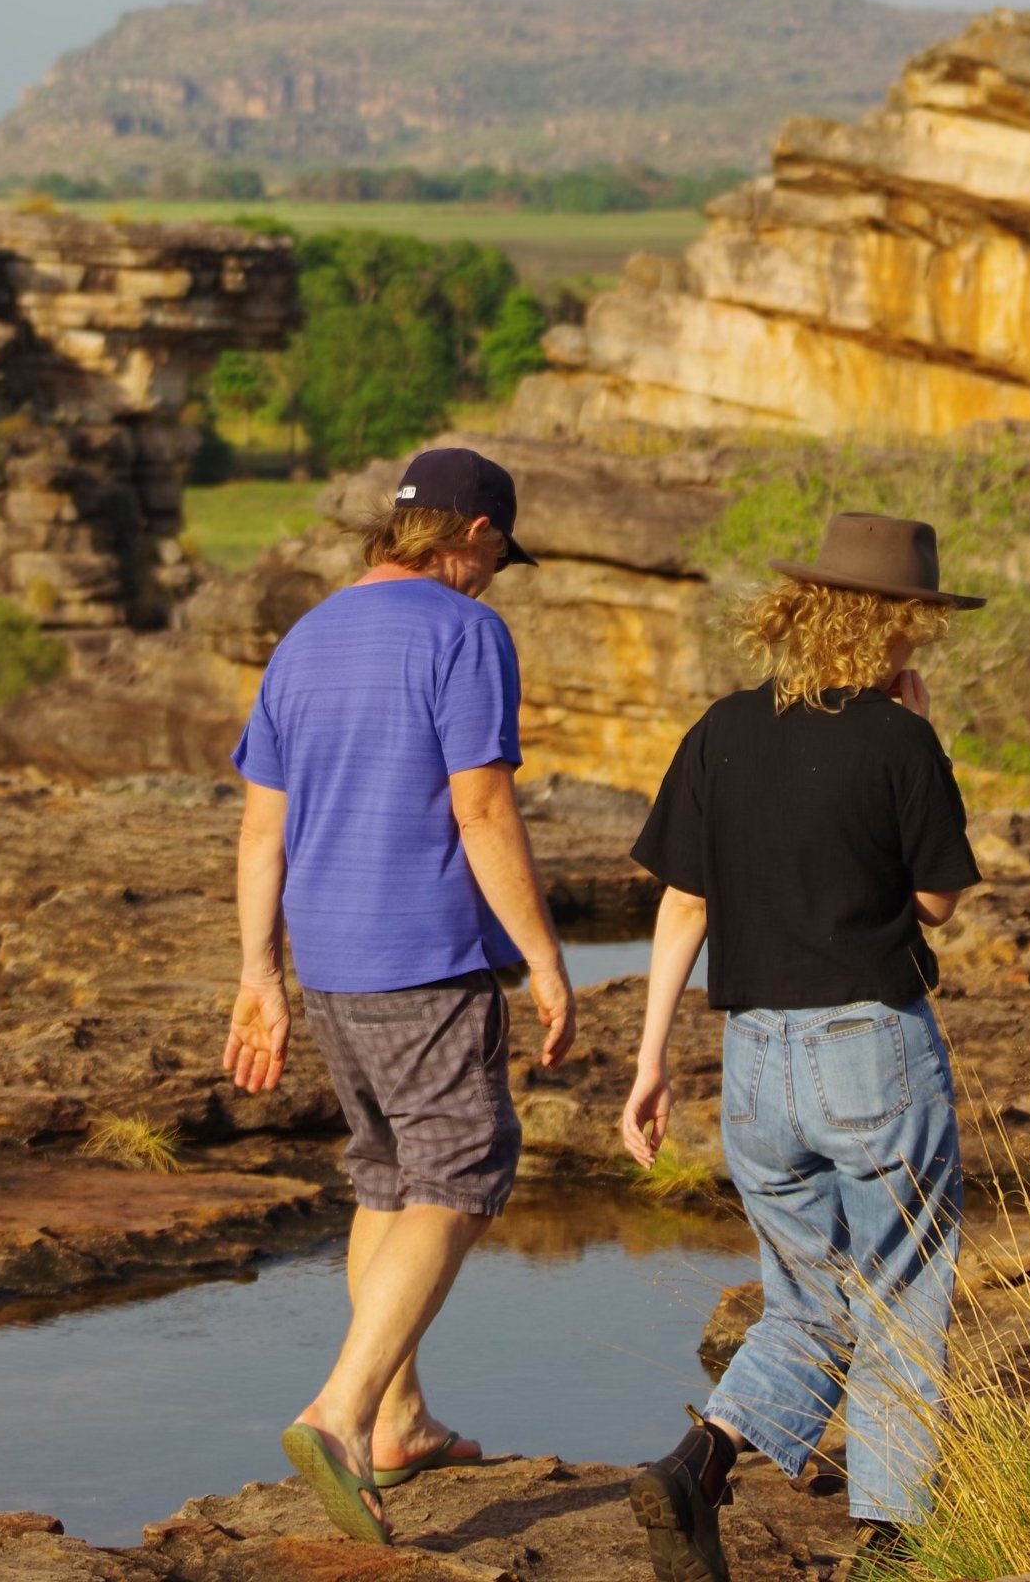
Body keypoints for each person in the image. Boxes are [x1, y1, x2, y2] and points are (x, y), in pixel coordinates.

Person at [222, 443, 576, 1546]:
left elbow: (262, 827)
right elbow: (478, 813)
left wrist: (256, 976)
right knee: (464, 1173)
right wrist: (547, 958)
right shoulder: (466, 633)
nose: (493, 577)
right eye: (495, 557)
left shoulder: (308, 634)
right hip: (421, 952)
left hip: (326, 958)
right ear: (472, 536)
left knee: (386, 1178)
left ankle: (397, 1420)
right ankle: (339, 1411)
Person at [620, 512, 984, 1582]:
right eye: (913, 622)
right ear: (889, 627)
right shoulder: (898, 739)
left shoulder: (720, 730)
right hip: (869, 1050)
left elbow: (683, 904)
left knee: (804, 1299)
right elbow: (936, 902)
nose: (919, 640)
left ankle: (698, 1464)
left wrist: (648, 1064)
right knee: (897, 1294)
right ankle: (888, 1536)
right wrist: (921, 737)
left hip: (752, 1063)